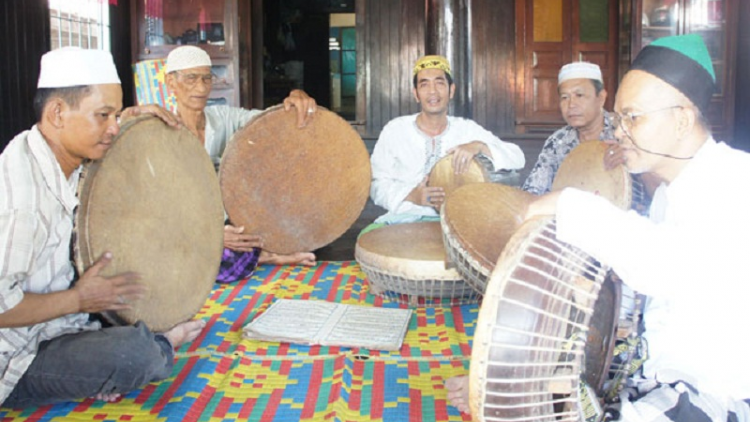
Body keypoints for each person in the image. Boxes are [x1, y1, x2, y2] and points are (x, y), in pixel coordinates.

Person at [454, 34, 750, 420]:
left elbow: (666, 266)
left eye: (633, 117)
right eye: (621, 117)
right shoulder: (671, 193)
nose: (620, 130)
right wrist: (501, 378)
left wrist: (569, 203)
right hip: (656, 377)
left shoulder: (734, 181)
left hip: (718, 396)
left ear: (681, 119)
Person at [0, 47, 206, 409]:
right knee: (134, 355)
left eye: (116, 114)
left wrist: (134, 121)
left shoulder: (65, 156)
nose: (113, 127)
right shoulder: (20, 199)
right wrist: (80, 299)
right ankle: (160, 345)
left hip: (61, 324)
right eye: (103, 115)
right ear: (58, 113)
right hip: (15, 354)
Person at [164, 46, 316, 283]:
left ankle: (255, 252)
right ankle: (264, 256)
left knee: (266, 221)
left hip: (224, 220)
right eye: (191, 78)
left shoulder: (222, 117)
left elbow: (270, 121)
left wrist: (296, 97)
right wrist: (210, 235)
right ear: (171, 83)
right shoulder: (158, 131)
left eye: (207, 78)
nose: (201, 87)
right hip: (182, 226)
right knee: (177, 257)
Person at [369, 55, 524, 225]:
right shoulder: (395, 130)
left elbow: (517, 157)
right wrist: (413, 195)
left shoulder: (467, 129)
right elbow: (376, 183)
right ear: (416, 94)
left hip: (458, 221)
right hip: (403, 220)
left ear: (451, 90)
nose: (433, 91)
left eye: (440, 83)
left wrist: (478, 146)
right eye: (424, 84)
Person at [521, 61, 617, 195]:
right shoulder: (557, 141)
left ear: (601, 98)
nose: (571, 104)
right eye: (565, 97)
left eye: (579, 95)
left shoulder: (623, 134)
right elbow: (534, 190)